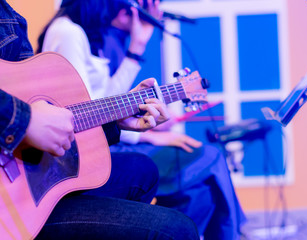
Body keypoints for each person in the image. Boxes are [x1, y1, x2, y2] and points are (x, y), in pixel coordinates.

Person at [37, 0, 247, 239]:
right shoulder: (67, 32)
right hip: (91, 150)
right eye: (128, 8)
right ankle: (236, 230)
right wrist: (150, 137)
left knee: (202, 190)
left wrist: (137, 49)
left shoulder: (90, 35)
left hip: (108, 137)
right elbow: (81, 115)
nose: (133, 13)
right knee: (210, 157)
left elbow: (106, 103)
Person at [0, 1, 199, 239]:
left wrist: (114, 122)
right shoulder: (68, 32)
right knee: (177, 229)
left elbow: (63, 114)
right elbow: (39, 117)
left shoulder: (11, 14)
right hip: (13, 199)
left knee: (142, 170)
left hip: (28, 174)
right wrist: (25, 120)